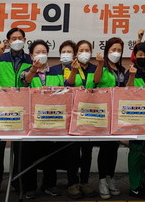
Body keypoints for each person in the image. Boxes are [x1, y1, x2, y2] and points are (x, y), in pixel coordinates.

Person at [0, 28, 33, 195]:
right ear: (8, 41)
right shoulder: (1, 57)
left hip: (21, 107)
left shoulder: (30, 59)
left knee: (20, 150)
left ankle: (18, 184)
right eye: (13, 38)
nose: (17, 41)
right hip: (1, 108)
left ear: (24, 40)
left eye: (20, 38)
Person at [19, 40, 61, 198]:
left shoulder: (56, 72)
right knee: (29, 154)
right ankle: (29, 187)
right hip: (31, 120)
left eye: (44, 52)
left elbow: (62, 89)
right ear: (31, 56)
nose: (41, 55)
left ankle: (49, 185)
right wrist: (33, 69)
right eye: (37, 52)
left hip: (52, 118)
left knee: (50, 154)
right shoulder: (25, 71)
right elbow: (25, 82)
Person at [62, 40, 96, 199]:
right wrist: (74, 70)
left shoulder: (95, 68)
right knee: (73, 151)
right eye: (81, 50)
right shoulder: (69, 68)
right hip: (74, 114)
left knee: (87, 151)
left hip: (90, 114)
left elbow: (97, 84)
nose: (84, 53)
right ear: (76, 53)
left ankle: (85, 182)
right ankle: (72, 184)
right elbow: (67, 85)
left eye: (87, 50)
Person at [92, 38, 126, 199]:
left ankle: (110, 178)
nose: (116, 53)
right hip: (103, 113)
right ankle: (101, 180)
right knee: (105, 147)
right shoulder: (102, 67)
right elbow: (96, 81)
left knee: (114, 147)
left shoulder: (121, 69)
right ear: (107, 51)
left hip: (117, 113)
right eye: (113, 50)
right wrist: (99, 65)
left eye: (119, 50)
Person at [126, 43, 145, 197]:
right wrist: (131, 76)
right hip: (135, 116)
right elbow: (125, 91)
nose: (143, 57)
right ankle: (134, 186)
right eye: (140, 54)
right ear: (135, 56)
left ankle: (142, 181)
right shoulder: (131, 71)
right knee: (136, 151)